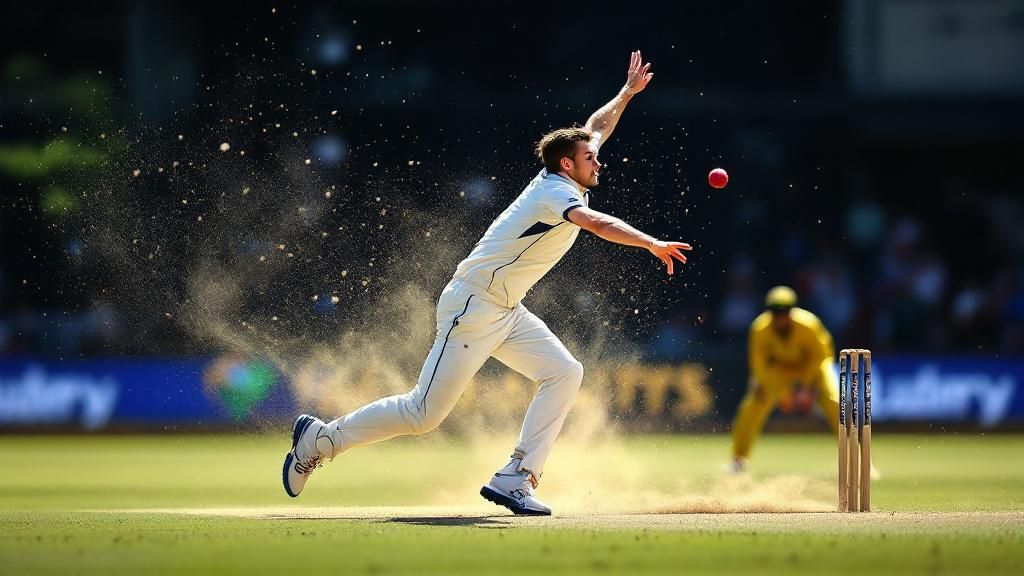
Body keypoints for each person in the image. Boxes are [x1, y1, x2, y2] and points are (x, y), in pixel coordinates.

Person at [282, 51, 692, 515]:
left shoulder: (566, 172)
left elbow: (596, 126)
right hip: (473, 306)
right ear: (566, 165)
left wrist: (626, 93)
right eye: (589, 158)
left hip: (505, 309)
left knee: (564, 372)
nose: (598, 162)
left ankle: (516, 477)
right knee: (422, 414)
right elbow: (597, 224)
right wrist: (650, 242)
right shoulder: (556, 192)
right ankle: (320, 440)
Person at [729, 286, 841, 472]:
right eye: (775, 312)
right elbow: (760, 366)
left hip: (811, 370)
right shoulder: (760, 329)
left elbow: (823, 356)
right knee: (752, 404)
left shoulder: (808, 325)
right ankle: (738, 460)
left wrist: (807, 388)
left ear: (792, 310)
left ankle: (858, 458)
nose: (780, 317)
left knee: (836, 402)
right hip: (779, 373)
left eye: (785, 311)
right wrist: (781, 393)